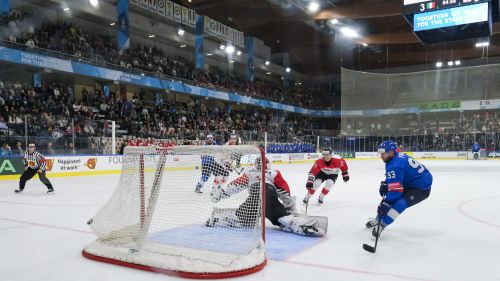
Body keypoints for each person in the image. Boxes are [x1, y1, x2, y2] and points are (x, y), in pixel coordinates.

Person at [208, 156, 326, 236]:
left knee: (245, 219)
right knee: (281, 219)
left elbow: (234, 186)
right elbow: (284, 190)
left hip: (255, 198)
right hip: (269, 198)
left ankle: (220, 219)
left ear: (256, 165)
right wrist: (289, 207)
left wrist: (220, 195)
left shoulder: (249, 174)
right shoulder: (273, 173)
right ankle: (302, 225)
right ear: (268, 164)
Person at [366, 140, 432, 238]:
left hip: (421, 187)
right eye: (381, 153)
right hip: (411, 182)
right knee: (388, 199)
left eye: (383, 153)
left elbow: (396, 191)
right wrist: (386, 182)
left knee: (399, 204)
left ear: (391, 152)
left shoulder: (395, 165)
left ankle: (382, 225)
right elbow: (396, 176)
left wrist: (386, 203)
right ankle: (377, 219)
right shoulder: (394, 157)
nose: (381, 156)